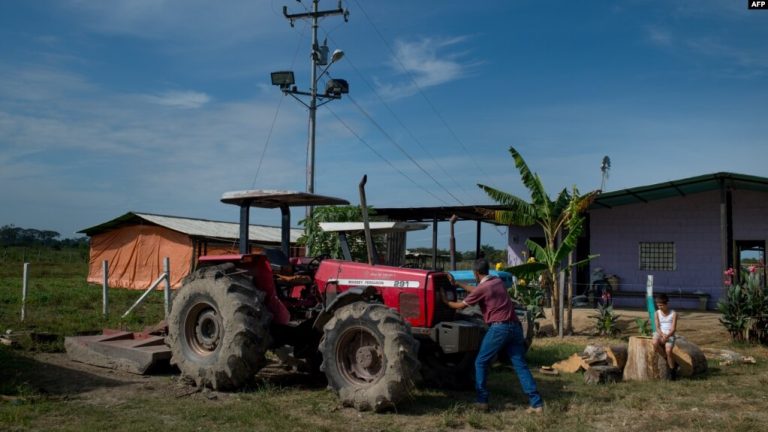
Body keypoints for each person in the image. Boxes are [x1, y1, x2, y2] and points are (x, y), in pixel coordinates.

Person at [442, 258, 544, 413]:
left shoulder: (483, 288)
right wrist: (457, 283)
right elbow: (477, 290)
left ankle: (482, 401)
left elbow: (460, 306)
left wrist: (445, 301)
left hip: (499, 329)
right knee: (520, 365)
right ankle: (536, 403)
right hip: (515, 327)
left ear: (476, 273)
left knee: (480, 362)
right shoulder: (497, 281)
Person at [652, 293, 678, 379]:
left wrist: (667, 336)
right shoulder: (657, 313)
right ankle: (665, 357)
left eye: (661, 305)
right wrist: (662, 335)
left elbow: (673, 328)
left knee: (668, 350)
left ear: (666, 304)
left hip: (670, 334)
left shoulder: (674, 313)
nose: (659, 307)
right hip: (660, 333)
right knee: (654, 343)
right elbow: (657, 327)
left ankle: (672, 371)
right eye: (658, 305)